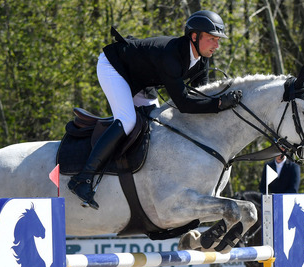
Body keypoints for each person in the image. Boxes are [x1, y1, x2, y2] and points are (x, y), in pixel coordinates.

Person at [68, 10, 243, 209]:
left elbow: (201, 96)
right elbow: (184, 104)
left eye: (218, 40)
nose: (217, 45)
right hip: (115, 67)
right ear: (194, 37)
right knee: (128, 120)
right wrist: (219, 104)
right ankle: (83, 178)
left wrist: (221, 103)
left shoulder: (202, 59)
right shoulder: (171, 56)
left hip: (143, 80)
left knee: (158, 127)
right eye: (212, 39)